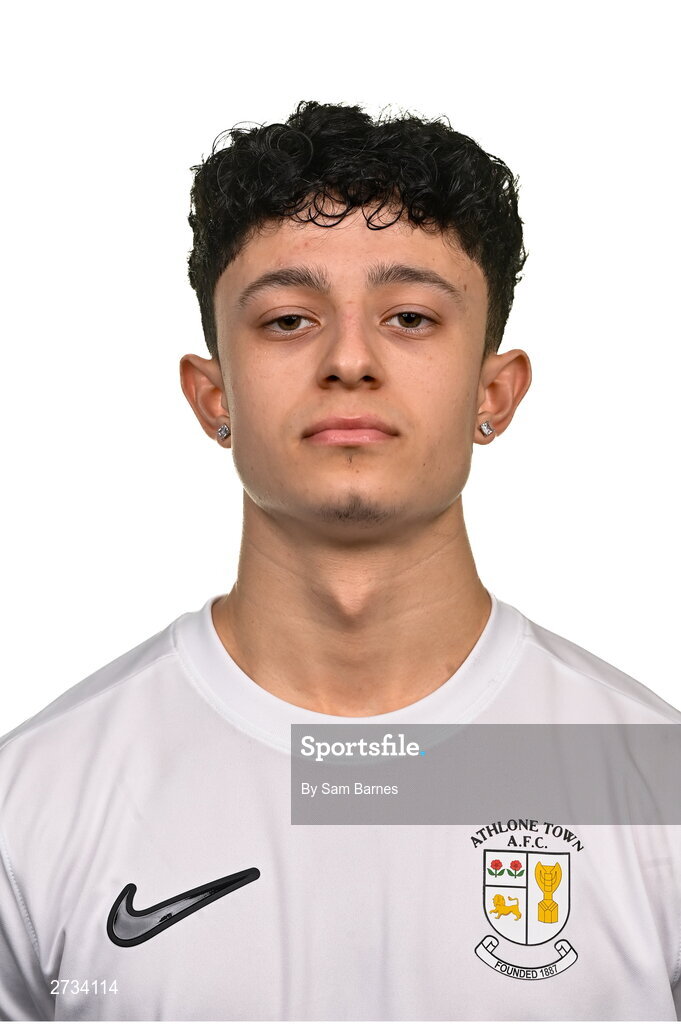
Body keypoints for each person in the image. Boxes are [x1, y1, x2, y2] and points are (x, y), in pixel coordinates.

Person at [1, 99, 680, 1022]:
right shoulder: (33, 799)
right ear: (212, 398)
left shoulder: (652, 785)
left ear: (496, 392)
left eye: (408, 316)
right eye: (287, 320)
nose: (349, 359)